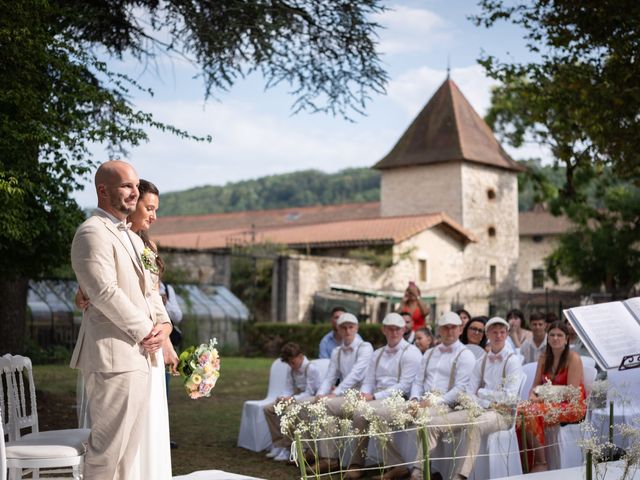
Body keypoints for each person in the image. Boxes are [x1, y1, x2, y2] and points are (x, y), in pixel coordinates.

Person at [70, 161, 173, 480]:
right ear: (103, 190)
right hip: (113, 356)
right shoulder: (91, 232)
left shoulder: (131, 236)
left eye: (135, 186)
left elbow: (148, 290)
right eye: (127, 186)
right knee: (107, 451)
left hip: (139, 355)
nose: (134, 192)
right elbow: (104, 292)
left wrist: (162, 326)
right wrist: (146, 331)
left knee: (129, 452)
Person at [411, 317, 523, 480]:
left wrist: (483, 394)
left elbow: (510, 397)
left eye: (502, 332)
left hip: (501, 413)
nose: (498, 336)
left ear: (506, 334)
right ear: (487, 334)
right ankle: (419, 471)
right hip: (476, 408)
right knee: (433, 423)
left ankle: (460, 476)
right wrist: (481, 400)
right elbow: (470, 393)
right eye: (494, 332)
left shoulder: (513, 361)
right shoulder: (481, 361)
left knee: (475, 426)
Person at [315, 313, 421, 479]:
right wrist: (365, 393)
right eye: (390, 329)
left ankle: (364, 464)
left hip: (398, 399)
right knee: (328, 405)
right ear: (383, 330)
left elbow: (405, 386)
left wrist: (373, 396)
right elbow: (369, 380)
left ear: (404, 330)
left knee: (364, 411)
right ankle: (330, 458)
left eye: (398, 329)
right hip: (374, 397)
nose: (394, 333)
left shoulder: (411, 352)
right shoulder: (378, 353)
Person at [407, 312, 476, 479]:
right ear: (439, 330)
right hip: (423, 400)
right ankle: (395, 463)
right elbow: (417, 380)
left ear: (461, 330)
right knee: (398, 412)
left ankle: (419, 471)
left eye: (454, 327)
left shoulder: (465, 355)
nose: (450, 331)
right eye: (446, 328)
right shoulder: (430, 353)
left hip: (449, 404)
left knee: (424, 416)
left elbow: (460, 388)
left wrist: (432, 402)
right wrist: (414, 399)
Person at [518, 321, 586, 472]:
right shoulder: (543, 358)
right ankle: (525, 462)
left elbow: (571, 392)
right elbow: (535, 386)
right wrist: (531, 397)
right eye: (553, 335)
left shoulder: (573, 358)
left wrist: (542, 394)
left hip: (572, 405)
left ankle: (540, 462)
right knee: (521, 410)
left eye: (560, 335)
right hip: (550, 403)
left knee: (532, 412)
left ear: (567, 338)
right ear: (548, 338)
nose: (556, 338)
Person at [264, 342, 323, 462]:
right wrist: (283, 397)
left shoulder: (311, 368)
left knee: (289, 410)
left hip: (312, 398)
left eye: (293, 362)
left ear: (301, 356)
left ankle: (288, 447)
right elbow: (288, 387)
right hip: (296, 397)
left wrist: (291, 399)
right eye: (289, 363)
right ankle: (278, 444)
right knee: (269, 409)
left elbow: (310, 391)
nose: (291, 365)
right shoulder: (291, 368)